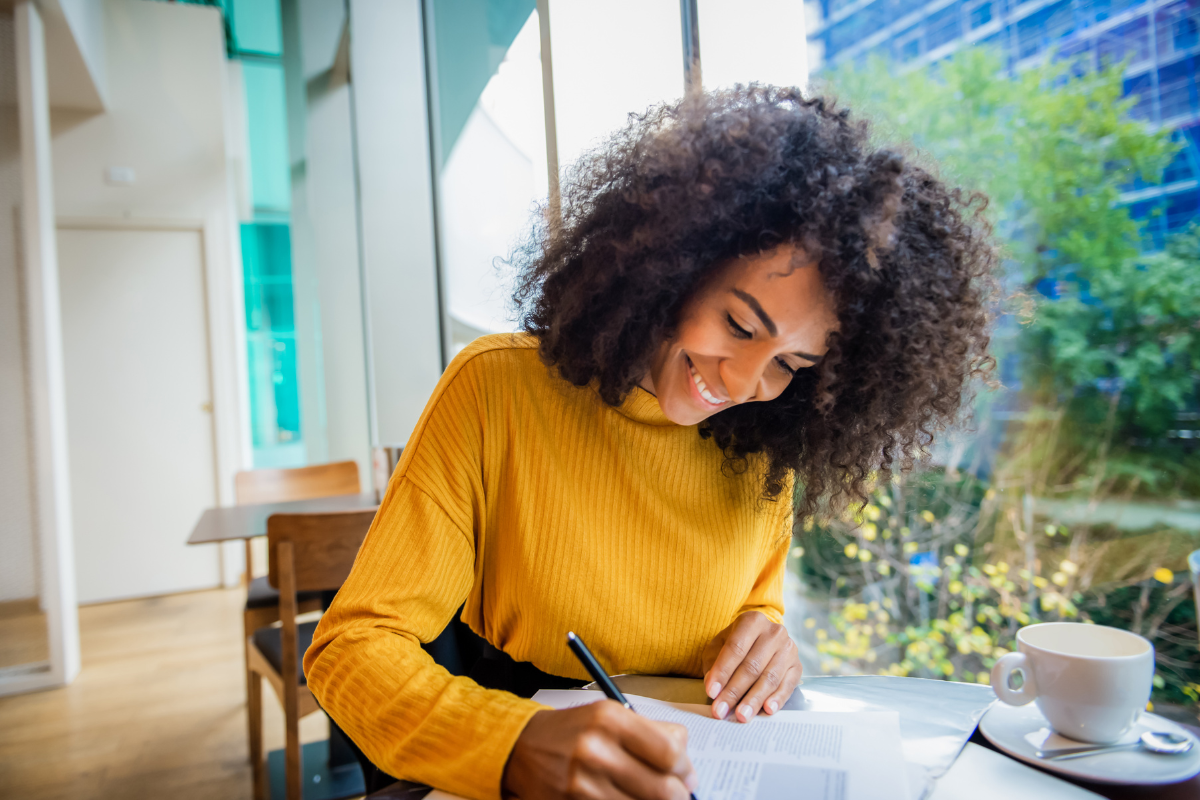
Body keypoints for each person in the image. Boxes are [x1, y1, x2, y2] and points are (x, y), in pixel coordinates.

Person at [304, 86, 994, 800]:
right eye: (738, 323)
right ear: (675, 266)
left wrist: (766, 640)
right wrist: (511, 744)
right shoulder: (494, 392)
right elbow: (350, 649)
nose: (747, 381)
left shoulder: (764, 444)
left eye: (792, 363)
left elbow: (755, 604)